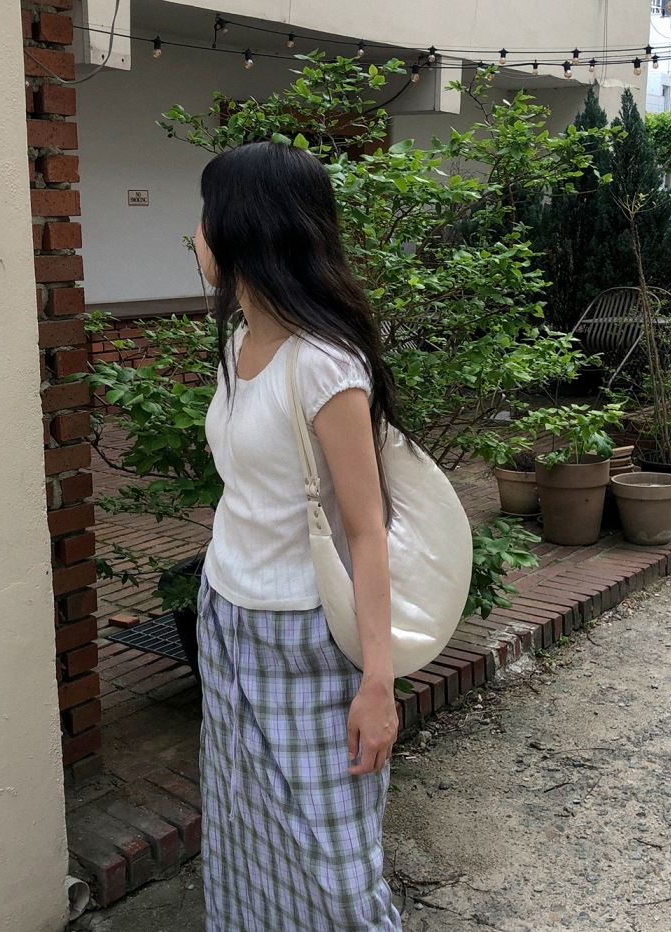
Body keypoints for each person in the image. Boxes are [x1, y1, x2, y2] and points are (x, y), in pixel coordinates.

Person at [194, 140, 404, 931]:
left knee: (334, 858)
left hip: (303, 636)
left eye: (206, 214)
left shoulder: (323, 364)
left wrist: (377, 684)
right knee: (244, 826)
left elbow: (367, 529)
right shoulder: (236, 346)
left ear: (242, 227)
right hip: (225, 616)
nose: (196, 233)